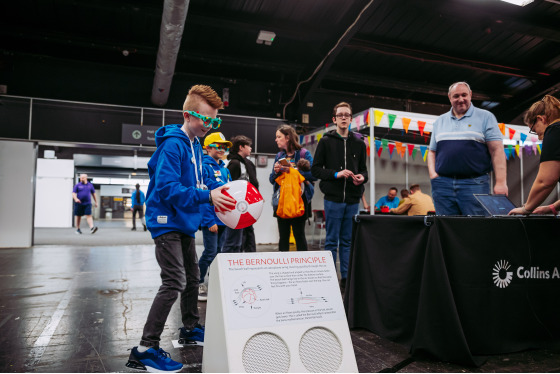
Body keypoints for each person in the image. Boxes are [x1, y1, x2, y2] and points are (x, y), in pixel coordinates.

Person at [125, 85, 235, 373]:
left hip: (184, 220)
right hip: (166, 221)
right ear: (188, 115)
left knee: (192, 277)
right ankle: (145, 348)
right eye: (206, 120)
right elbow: (167, 188)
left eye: (215, 121)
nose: (210, 126)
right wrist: (206, 197)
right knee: (174, 281)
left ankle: (188, 329)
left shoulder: (196, 145)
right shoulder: (173, 144)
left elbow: (201, 183)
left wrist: (225, 192)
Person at [428, 82, 508, 215]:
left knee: (474, 227)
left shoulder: (486, 117)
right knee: (445, 227)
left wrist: (501, 182)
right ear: (449, 97)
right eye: (456, 96)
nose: (460, 99)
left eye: (464, 95)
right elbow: (432, 151)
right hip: (442, 184)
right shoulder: (440, 121)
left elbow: (497, 150)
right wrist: (433, 175)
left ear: (470, 95)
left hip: (474, 183)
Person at [311, 102, 368, 290]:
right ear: (334, 119)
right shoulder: (326, 141)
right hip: (333, 199)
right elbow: (316, 170)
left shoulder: (359, 144)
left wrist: (361, 178)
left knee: (347, 240)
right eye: (340, 115)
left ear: (352, 119)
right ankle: (328, 278)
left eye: (347, 115)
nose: (344, 118)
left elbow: (364, 171)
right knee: (331, 240)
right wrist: (336, 174)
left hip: (352, 199)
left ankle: (346, 278)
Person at [508, 95, 560, 216]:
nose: (537, 136)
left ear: (541, 119)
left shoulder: (554, 130)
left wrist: (527, 208)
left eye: (534, 129)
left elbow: (545, 181)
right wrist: (553, 207)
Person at [198, 132, 232, 302]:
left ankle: (214, 283)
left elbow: (232, 194)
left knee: (219, 253)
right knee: (210, 252)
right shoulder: (204, 167)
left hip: (224, 219)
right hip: (212, 220)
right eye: (218, 145)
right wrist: (209, 220)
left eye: (224, 146)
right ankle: (198, 282)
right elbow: (204, 195)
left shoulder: (225, 170)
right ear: (208, 148)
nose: (222, 149)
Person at [270, 125, 315, 252]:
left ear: (288, 137)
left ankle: (302, 268)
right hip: (282, 201)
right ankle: (283, 270)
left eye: (279, 137)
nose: (276, 140)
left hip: (299, 201)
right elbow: (271, 179)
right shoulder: (279, 156)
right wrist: (277, 171)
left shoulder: (304, 154)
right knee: (283, 237)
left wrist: (293, 170)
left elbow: (313, 175)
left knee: (299, 236)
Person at [221, 135, 259, 253]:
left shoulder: (247, 163)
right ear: (241, 147)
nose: (251, 149)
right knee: (234, 240)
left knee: (248, 234)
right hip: (237, 207)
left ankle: (249, 260)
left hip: (248, 205)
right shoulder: (235, 163)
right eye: (249, 146)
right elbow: (229, 187)